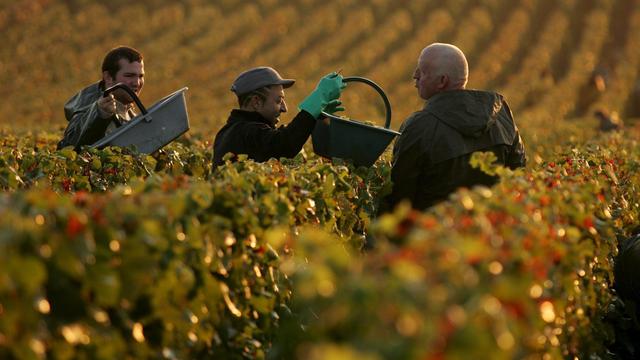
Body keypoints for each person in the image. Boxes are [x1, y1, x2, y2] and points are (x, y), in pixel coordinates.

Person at [380, 43, 526, 212]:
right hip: (489, 229)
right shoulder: (501, 114)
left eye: (423, 71)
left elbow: (399, 195)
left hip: (429, 232)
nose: (415, 75)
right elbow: (517, 175)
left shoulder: (418, 127)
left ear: (442, 81)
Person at [213, 67, 345, 167]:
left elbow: (275, 139)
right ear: (256, 102)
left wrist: (314, 117)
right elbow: (284, 144)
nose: (284, 108)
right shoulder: (246, 132)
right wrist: (317, 101)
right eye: (278, 101)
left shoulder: (228, 132)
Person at [57, 46, 145, 150]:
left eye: (140, 76)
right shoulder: (89, 109)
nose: (137, 83)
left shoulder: (127, 110)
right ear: (108, 77)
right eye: (129, 76)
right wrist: (99, 115)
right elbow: (68, 147)